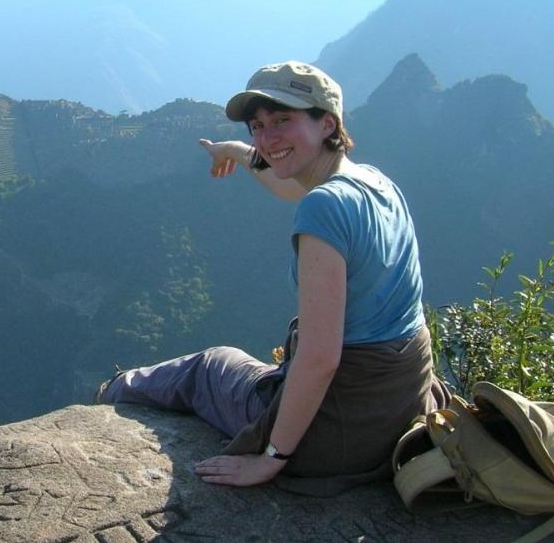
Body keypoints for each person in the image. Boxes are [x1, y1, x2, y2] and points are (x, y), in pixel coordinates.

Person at [97, 61, 449, 494]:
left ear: (327, 124)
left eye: (283, 120)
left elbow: (320, 358)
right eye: (257, 126)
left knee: (210, 366)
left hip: (340, 436)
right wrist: (235, 151)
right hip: (399, 409)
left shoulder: (324, 209)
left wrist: (271, 458)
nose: (267, 137)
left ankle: (110, 393)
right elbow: (289, 181)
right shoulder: (376, 183)